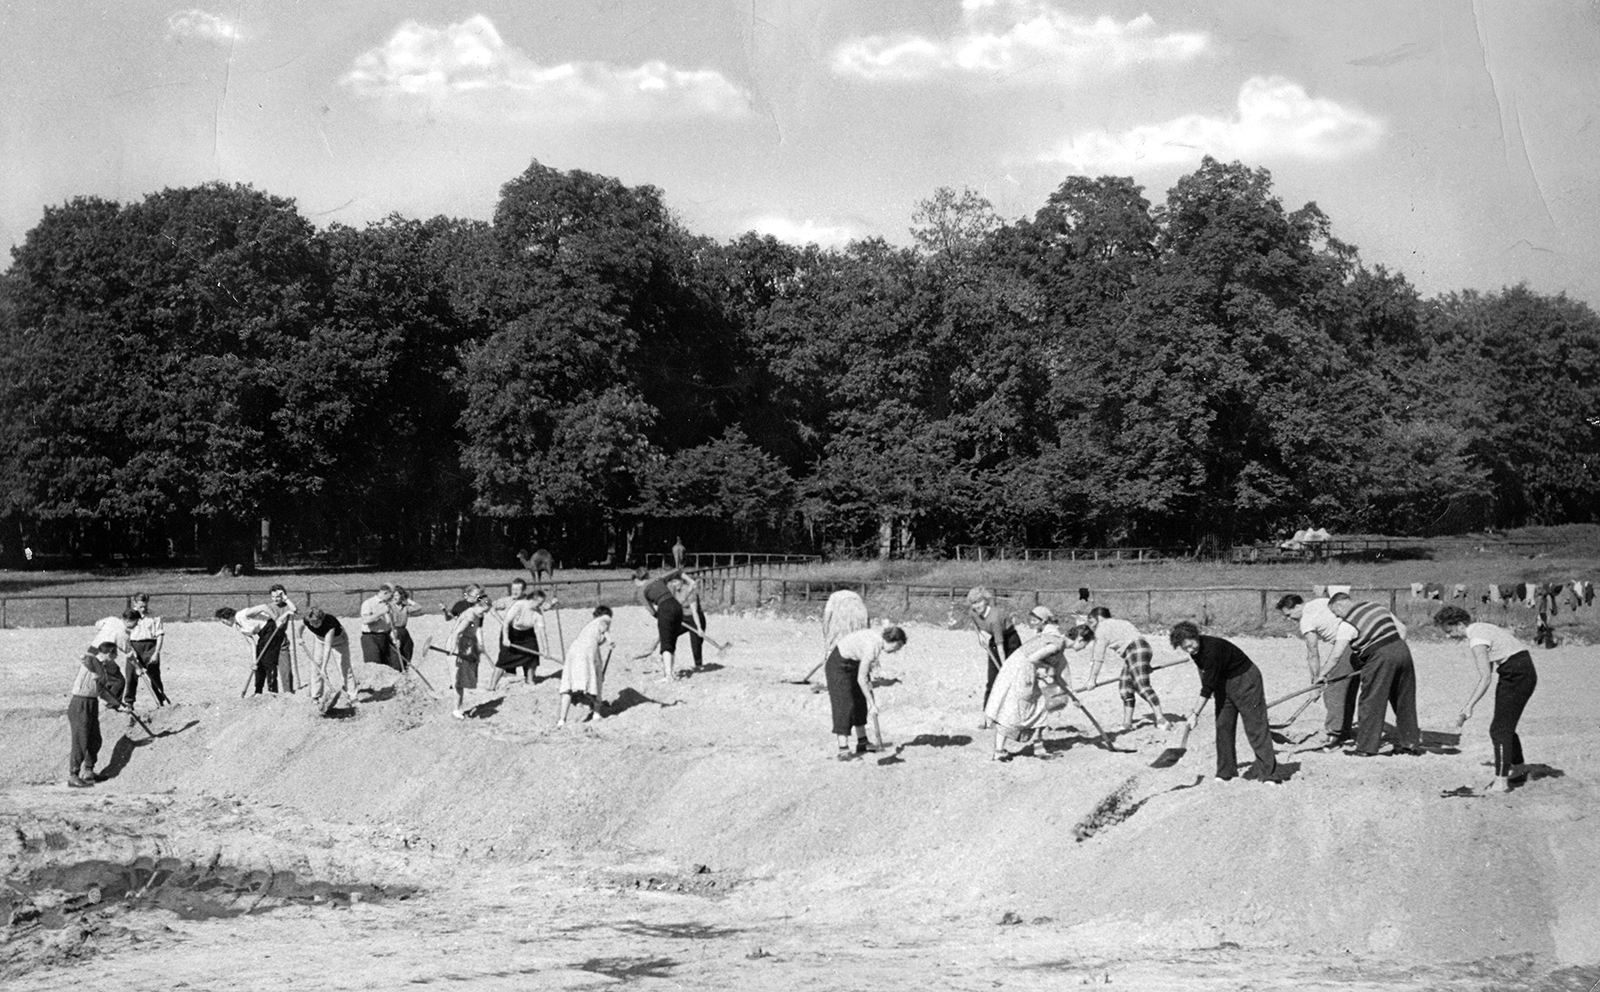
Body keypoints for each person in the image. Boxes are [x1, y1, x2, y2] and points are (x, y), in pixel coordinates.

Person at [1435, 606, 1537, 793]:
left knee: (1499, 730)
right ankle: (1519, 769)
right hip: (1519, 670)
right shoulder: (1482, 627)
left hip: (1516, 674)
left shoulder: (1477, 639)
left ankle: (1500, 782)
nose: (1449, 636)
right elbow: (1488, 672)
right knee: (1505, 725)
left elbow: (1485, 677)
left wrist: (1469, 706)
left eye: (1449, 631)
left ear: (1459, 624)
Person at [1170, 621, 1278, 783]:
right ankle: (1226, 771)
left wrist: (1195, 714)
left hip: (1245, 679)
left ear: (1195, 636)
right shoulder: (1196, 651)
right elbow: (1204, 672)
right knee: (1223, 725)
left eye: (1191, 645)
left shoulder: (1212, 649)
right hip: (1223, 682)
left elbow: (1207, 687)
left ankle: (1269, 774)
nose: (1190, 650)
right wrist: (1210, 688)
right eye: (1186, 648)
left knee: (1255, 726)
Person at [1328, 593, 1422, 757]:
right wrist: (1393, 652)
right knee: (1404, 700)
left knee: (1370, 701)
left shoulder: (1347, 623)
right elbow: (1402, 629)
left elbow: (1336, 655)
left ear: (1339, 606)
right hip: (1402, 650)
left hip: (1379, 657)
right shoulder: (1376, 606)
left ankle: (1365, 748)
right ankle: (1410, 745)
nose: (1337, 616)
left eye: (1335, 613)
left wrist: (1323, 674)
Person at [985, 606, 1076, 760]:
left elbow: (1059, 669)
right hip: (1021, 673)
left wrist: (1071, 694)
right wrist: (1048, 668)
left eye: (1035, 621)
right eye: (1083, 645)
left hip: (1015, 670)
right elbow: (1033, 659)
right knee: (1019, 710)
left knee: (1033, 706)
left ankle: (1007, 750)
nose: (1033, 624)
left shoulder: (1048, 636)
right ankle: (1005, 751)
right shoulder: (1055, 641)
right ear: (1078, 639)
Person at [1275, 594, 1360, 748]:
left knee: (1333, 690)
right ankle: (1344, 731)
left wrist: (1316, 682)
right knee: (1348, 688)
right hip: (1360, 641)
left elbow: (1313, 653)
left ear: (1298, 607)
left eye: (1289, 614)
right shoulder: (1320, 602)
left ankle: (1333, 735)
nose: (1289, 619)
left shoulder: (1306, 620)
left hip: (1346, 645)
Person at [1077, 607, 1170, 732]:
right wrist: (1144, 663)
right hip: (1140, 650)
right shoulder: (1123, 622)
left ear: (1099, 618)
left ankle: (1161, 719)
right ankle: (1127, 723)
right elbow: (1139, 639)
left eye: (1092, 622)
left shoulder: (1101, 628)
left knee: (1142, 686)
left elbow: (1098, 657)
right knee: (1125, 688)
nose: (1091, 626)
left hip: (1135, 650)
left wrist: (1092, 679)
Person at [825, 625, 908, 760]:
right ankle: (843, 749)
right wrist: (872, 704)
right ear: (894, 642)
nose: (895, 652)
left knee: (859, 701)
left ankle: (863, 742)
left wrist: (869, 699)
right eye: (897, 648)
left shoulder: (877, 641)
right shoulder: (872, 646)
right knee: (844, 704)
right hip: (838, 666)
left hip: (853, 664)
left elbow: (866, 671)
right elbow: (861, 679)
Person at [66, 638, 126, 788]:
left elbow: (102, 692)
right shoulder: (93, 661)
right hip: (80, 702)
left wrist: (120, 704)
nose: (116, 657)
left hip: (92, 702)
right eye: (115, 654)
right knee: (81, 740)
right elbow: (85, 658)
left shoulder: (103, 670)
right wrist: (93, 671)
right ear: (110, 653)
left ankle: (88, 772)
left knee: (95, 739)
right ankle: (73, 775)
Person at [966, 587, 1021, 729]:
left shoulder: (995, 617)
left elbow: (1001, 646)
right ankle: (988, 719)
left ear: (986, 601)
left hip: (1010, 641)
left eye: (979, 602)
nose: (976, 606)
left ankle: (1013, 719)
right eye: (973, 603)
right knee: (992, 681)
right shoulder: (973, 613)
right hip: (995, 641)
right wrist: (980, 636)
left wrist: (1004, 667)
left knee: (1011, 680)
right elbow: (975, 624)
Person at [231, 585, 297, 694]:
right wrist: (283, 615)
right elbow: (274, 623)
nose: (276, 599)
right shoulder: (269, 607)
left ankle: (288, 693)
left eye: (278, 597)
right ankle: (271, 692)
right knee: (268, 664)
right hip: (271, 637)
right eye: (273, 597)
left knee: (285, 667)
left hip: (281, 639)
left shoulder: (287, 605)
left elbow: (294, 610)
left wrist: (286, 598)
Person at [557, 606, 614, 727]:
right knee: (596, 679)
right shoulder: (603, 620)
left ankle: (561, 720)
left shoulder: (590, 627)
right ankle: (596, 713)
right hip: (588, 650)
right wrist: (610, 640)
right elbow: (605, 624)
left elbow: (600, 637)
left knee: (568, 684)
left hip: (574, 650)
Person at [302, 606, 355, 712]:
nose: (314, 626)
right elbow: (301, 627)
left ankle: (353, 696)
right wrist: (299, 637)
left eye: (316, 623)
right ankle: (315, 696)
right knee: (316, 666)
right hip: (320, 640)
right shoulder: (308, 620)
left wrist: (324, 668)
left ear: (321, 619)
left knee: (345, 667)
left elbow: (327, 647)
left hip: (339, 640)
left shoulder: (330, 624)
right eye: (312, 623)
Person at [493, 587, 547, 688]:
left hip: (528, 635)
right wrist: (505, 638)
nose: (540, 605)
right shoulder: (520, 605)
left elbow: (542, 631)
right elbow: (506, 622)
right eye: (539, 603)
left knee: (532, 656)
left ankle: (530, 680)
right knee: (504, 659)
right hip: (512, 633)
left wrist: (545, 650)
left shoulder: (538, 612)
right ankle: (492, 685)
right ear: (532, 600)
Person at [448, 597, 490, 719]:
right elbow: (456, 633)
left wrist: (480, 644)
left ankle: (459, 707)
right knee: (458, 678)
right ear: (478, 605)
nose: (484, 614)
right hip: (458, 644)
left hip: (466, 644)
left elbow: (476, 630)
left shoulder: (477, 615)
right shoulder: (470, 616)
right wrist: (453, 648)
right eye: (483, 611)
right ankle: (456, 709)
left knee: (464, 677)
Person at [125, 592, 171, 708]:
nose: (143, 609)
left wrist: (156, 652)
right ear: (135, 603)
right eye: (141, 606)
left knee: (155, 676)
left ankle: (161, 701)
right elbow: (124, 636)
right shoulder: (129, 616)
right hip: (134, 646)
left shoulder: (155, 616)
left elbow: (160, 635)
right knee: (131, 676)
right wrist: (131, 651)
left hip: (150, 647)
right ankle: (129, 703)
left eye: (145, 606)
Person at [89, 610, 139, 713]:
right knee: (118, 681)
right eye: (136, 621)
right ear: (129, 621)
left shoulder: (111, 619)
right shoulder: (122, 634)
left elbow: (97, 624)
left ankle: (108, 698)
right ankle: (111, 706)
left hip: (92, 651)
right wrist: (138, 668)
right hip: (102, 656)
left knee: (113, 672)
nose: (137, 624)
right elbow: (129, 654)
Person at [655, 578, 689, 681]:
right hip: (677, 611)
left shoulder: (688, 591)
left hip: (673, 612)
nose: (674, 584)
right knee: (670, 641)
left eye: (676, 581)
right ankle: (670, 672)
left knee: (666, 644)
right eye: (673, 582)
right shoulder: (671, 590)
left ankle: (668, 675)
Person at [358, 584, 398, 671]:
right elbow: (365, 620)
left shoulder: (389, 604)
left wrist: (395, 636)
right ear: (385, 592)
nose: (392, 598)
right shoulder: (368, 603)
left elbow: (392, 623)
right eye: (391, 595)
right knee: (374, 666)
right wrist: (381, 612)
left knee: (392, 665)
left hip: (385, 637)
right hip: (371, 637)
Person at [389, 586, 424, 667]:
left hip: (403, 630)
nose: (395, 597)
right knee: (396, 649)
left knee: (408, 646)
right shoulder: (390, 606)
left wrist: (407, 599)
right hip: (394, 630)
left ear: (401, 596)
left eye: (397, 595)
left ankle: (406, 665)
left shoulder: (405, 607)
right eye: (393, 595)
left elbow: (418, 607)